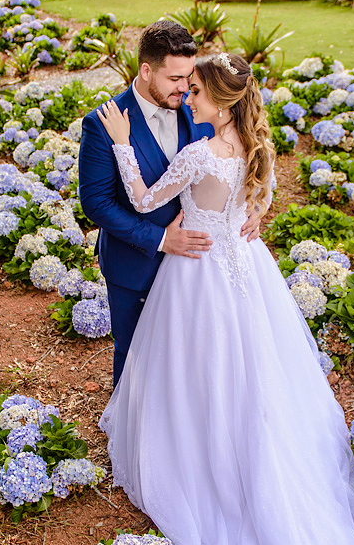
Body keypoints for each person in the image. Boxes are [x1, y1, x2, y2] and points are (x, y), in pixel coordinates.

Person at [95, 52, 354, 545]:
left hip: (198, 275)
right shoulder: (250, 149)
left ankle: (199, 462)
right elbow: (256, 204)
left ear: (218, 100)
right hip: (246, 271)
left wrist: (125, 146)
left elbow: (145, 198)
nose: (187, 98)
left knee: (197, 375)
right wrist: (251, 218)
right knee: (250, 379)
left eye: (197, 92)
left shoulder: (202, 152)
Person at [78, 20, 261, 385]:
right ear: (147, 70)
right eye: (175, 78)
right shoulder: (104, 123)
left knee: (198, 360)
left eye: (190, 77)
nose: (185, 88)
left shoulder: (202, 107)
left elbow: (234, 165)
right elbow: (96, 202)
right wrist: (161, 239)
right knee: (136, 360)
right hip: (136, 262)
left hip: (204, 267)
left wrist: (249, 208)